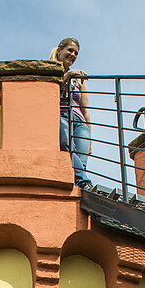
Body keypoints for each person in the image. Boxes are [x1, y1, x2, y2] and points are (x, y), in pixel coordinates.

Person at [50, 37, 92, 189]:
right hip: (61, 116)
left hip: (80, 121)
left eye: (76, 53)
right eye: (70, 50)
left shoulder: (79, 79)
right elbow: (50, 94)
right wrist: (68, 75)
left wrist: (90, 135)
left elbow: (85, 109)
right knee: (67, 148)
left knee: (81, 159)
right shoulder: (50, 72)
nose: (73, 54)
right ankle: (85, 185)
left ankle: (81, 189)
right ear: (59, 50)